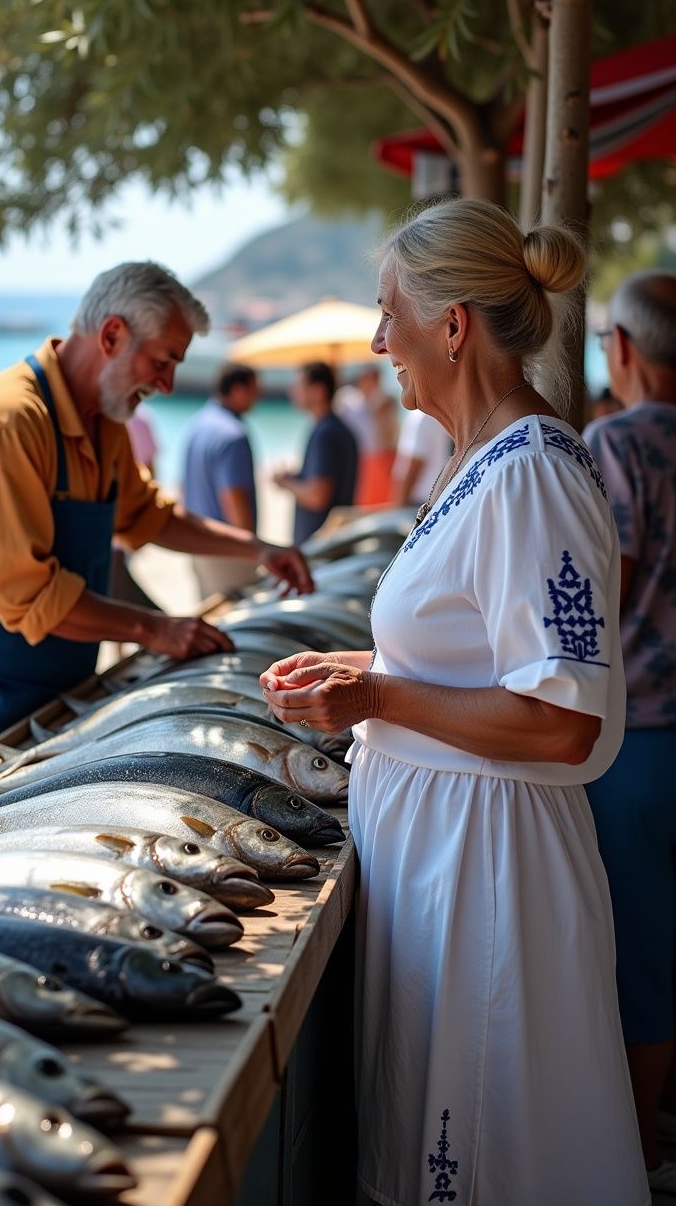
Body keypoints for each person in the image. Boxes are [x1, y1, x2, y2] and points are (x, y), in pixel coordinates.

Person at [261, 200, 646, 1205]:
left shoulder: (531, 480)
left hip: (487, 875)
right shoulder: (488, 469)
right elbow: (474, 654)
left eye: (388, 313)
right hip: (447, 863)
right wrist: (359, 668)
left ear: (453, 325)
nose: (379, 342)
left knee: (479, 1163)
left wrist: (379, 692)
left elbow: (565, 719)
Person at [0, 262, 312, 781]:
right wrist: (154, 628)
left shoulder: (105, 422)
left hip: (60, 693)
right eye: (163, 361)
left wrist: (257, 549)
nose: (166, 385)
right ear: (114, 335)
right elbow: (24, 595)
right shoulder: (9, 421)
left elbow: (149, 518)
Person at [583, 271, 676, 1197]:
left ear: (619, 349)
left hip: (641, 741)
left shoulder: (618, 443)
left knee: (640, 953)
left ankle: (641, 1152)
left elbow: (600, 600)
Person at [182, 365, 261, 600]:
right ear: (237, 390)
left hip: (197, 543)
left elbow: (183, 486)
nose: (258, 396)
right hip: (228, 551)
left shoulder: (198, 424)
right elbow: (233, 496)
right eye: (254, 390)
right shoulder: (233, 434)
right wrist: (251, 549)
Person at [273, 361, 358, 544]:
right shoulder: (333, 428)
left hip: (321, 545)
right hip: (332, 541)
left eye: (298, 386)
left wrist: (284, 482)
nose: (293, 391)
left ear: (318, 391)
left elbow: (318, 496)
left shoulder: (326, 433)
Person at [109, 400, 161, 612]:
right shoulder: (140, 419)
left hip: (118, 521)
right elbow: (150, 473)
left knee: (116, 590)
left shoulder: (112, 418)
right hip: (127, 520)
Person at [334, 365, 399, 506]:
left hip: (382, 457)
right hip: (365, 458)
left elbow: (389, 437)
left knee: (382, 501)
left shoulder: (384, 401)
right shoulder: (349, 400)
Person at [389, 405, 452, 508]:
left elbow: (413, 466)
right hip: (434, 498)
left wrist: (399, 507)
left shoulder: (421, 417)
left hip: (418, 502)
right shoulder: (438, 413)